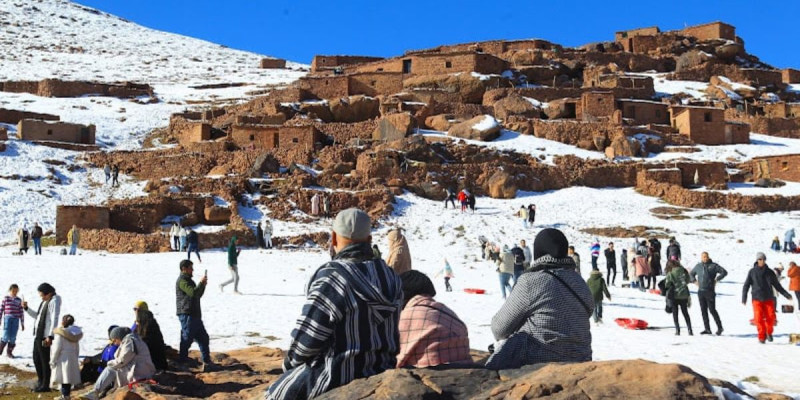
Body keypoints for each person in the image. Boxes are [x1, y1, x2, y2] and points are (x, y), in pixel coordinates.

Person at [266, 208, 403, 400]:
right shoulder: (391, 277)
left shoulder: (333, 277)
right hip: (382, 368)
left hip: (337, 374)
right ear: (369, 240)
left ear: (334, 238)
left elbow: (306, 341)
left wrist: (289, 366)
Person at [486, 228, 593, 370]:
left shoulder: (532, 281)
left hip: (537, 364)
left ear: (538, 251)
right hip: (581, 363)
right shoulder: (580, 282)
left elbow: (499, 329)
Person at [396, 271, 470, 368]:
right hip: (464, 367)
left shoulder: (408, 316)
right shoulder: (446, 311)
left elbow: (398, 359)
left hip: (428, 370)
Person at [82, 327, 156, 400]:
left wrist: (109, 363)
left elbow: (122, 361)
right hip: (140, 369)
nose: (114, 343)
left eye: (114, 340)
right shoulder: (134, 339)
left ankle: (95, 392)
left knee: (110, 369)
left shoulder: (129, 341)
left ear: (118, 337)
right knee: (114, 369)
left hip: (138, 372)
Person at [743, 252, 792, 343]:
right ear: (757, 260)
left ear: (765, 260)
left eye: (763, 259)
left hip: (768, 298)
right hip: (756, 298)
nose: (761, 261)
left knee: (771, 318)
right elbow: (746, 285)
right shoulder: (752, 272)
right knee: (758, 318)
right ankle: (761, 337)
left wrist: (787, 295)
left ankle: (769, 332)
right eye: (759, 259)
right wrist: (744, 297)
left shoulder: (770, 272)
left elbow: (777, 286)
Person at [23, 283, 61, 392]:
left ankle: (45, 384)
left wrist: (50, 336)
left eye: (42, 295)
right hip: (38, 334)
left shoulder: (54, 301)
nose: (41, 297)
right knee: (36, 358)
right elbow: (38, 316)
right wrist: (26, 308)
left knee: (44, 360)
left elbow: (54, 319)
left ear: (48, 293)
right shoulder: (45, 302)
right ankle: (40, 380)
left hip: (45, 336)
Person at [176, 259, 211, 367]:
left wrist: (203, 285)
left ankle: (206, 362)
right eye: (190, 268)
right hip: (187, 313)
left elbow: (197, 294)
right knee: (187, 338)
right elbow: (193, 292)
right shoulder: (182, 281)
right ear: (184, 269)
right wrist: (201, 284)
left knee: (203, 338)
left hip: (194, 314)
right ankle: (182, 362)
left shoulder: (189, 281)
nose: (192, 270)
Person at [690, 252, 727, 335]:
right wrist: (694, 281)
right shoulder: (698, 266)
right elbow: (691, 274)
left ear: (708, 257)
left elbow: (724, 272)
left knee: (712, 310)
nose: (705, 258)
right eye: (703, 257)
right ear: (701, 258)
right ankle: (707, 329)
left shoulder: (713, 266)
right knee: (703, 310)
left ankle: (720, 327)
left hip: (710, 291)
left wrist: (717, 279)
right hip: (701, 291)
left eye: (706, 257)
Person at [50, 314, 82, 400]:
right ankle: (66, 394)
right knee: (69, 376)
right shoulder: (76, 333)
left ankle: (65, 395)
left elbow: (57, 348)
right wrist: (76, 356)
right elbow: (77, 348)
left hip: (63, 357)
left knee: (64, 377)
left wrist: (53, 360)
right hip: (72, 356)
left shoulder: (61, 334)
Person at [134, 304, 167, 371]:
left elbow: (148, 342)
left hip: (154, 362)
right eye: (134, 309)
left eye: (137, 309)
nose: (135, 311)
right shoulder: (139, 322)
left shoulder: (149, 324)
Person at [664, 260, 693, 336]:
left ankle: (677, 330)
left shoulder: (670, 273)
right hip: (684, 295)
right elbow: (687, 280)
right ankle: (690, 330)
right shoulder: (684, 271)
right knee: (685, 313)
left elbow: (667, 284)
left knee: (675, 313)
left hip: (674, 296)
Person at [0, 284, 24, 357]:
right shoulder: (6, 298)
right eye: (13, 291)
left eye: (16, 291)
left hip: (16, 319)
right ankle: (0, 349)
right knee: (6, 335)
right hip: (8, 318)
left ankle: (9, 352)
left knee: (13, 336)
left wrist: (22, 323)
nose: (14, 292)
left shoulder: (19, 300)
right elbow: (1, 309)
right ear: (10, 290)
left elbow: (21, 312)